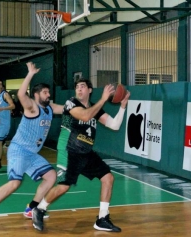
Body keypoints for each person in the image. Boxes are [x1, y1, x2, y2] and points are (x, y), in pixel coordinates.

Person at [0, 62, 63, 232]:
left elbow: (66, 109)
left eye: (48, 92)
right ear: (36, 95)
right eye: (45, 92)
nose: (48, 94)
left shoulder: (50, 108)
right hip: (19, 150)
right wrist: (30, 74)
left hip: (32, 153)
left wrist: (81, 106)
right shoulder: (32, 107)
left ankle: (31, 208)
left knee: (50, 176)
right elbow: (21, 94)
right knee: (14, 183)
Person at [31, 78, 130, 232]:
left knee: (108, 178)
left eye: (82, 86)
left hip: (86, 151)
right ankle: (39, 209)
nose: (79, 89)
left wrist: (123, 106)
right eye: (77, 86)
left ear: (90, 90)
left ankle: (102, 218)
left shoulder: (95, 109)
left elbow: (114, 125)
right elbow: (85, 116)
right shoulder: (71, 103)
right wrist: (104, 98)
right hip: (69, 149)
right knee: (64, 186)